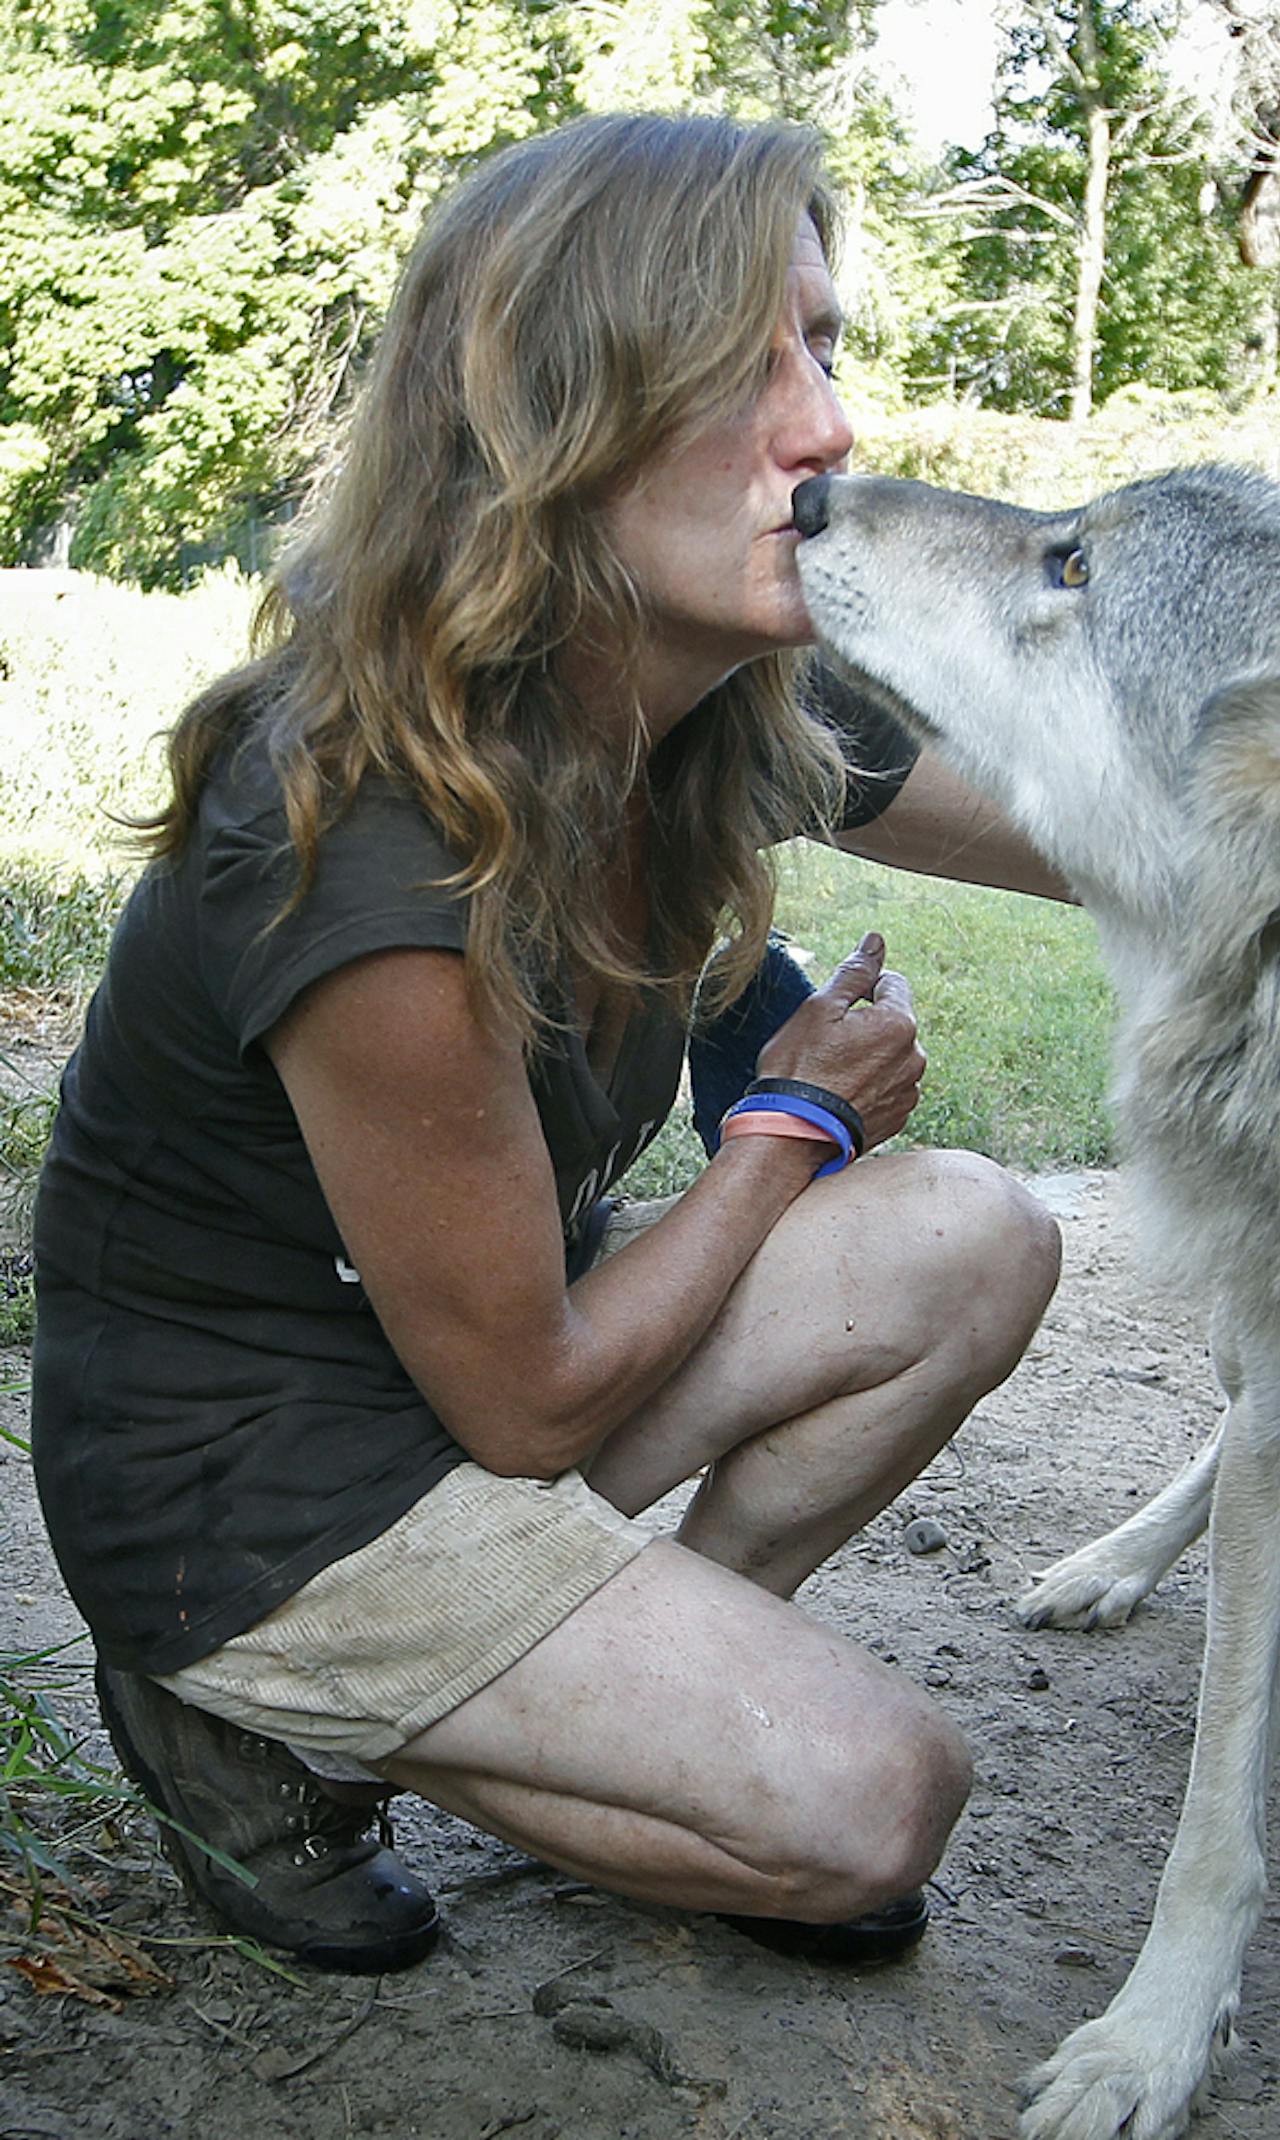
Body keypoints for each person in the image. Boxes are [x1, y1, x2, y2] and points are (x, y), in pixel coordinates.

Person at [29, 110, 1066, 1974]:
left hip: (467, 1397)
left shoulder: (724, 691)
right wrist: (787, 1128)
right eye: (745, 366)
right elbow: (536, 1401)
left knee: (982, 1230)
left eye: (825, 350)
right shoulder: (352, 828)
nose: (829, 428)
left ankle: (622, 1703)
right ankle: (242, 1712)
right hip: (261, 1482)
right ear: (557, 412)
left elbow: (1075, 820)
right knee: (873, 1809)